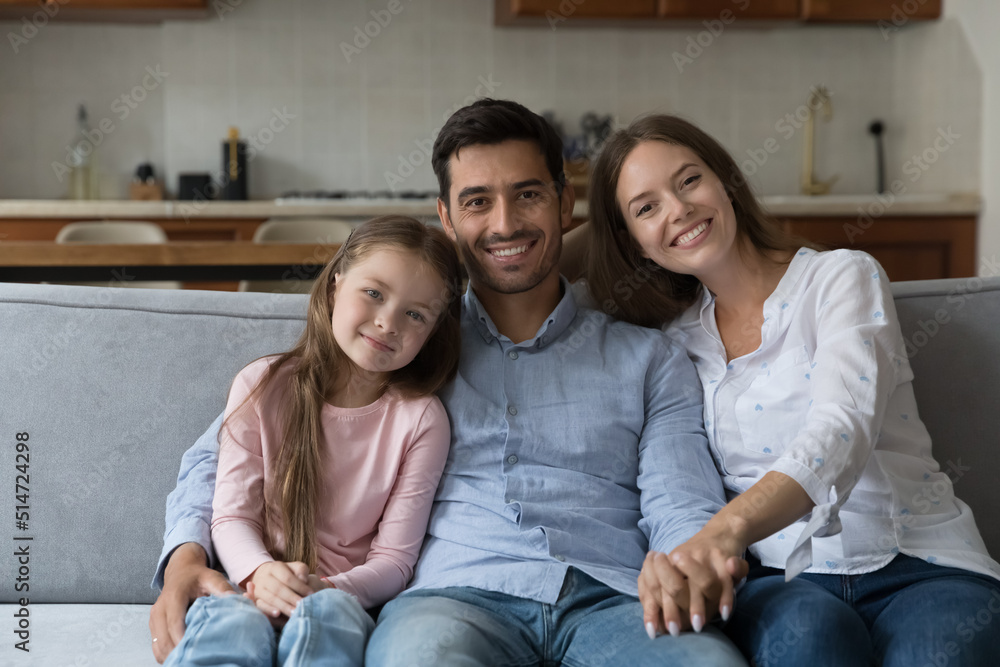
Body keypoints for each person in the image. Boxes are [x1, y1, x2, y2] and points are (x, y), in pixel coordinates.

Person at [149, 99, 750, 666]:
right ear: (446, 218)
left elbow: (680, 497)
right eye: (478, 201)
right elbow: (234, 447)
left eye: (529, 195)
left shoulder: (649, 357)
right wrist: (184, 557)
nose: (506, 222)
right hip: (454, 598)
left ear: (565, 206)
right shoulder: (406, 339)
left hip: (613, 594)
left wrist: (689, 560)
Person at [582, 113, 1000, 666]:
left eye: (688, 181)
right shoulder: (670, 344)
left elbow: (840, 429)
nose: (679, 209)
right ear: (633, 245)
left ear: (727, 182)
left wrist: (724, 531)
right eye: (646, 207)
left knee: (939, 653)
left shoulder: (842, 278)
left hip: (917, 559)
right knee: (810, 641)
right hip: (782, 577)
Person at [160, 215, 463, 666]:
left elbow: (395, 560)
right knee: (232, 626)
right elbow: (231, 515)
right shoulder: (261, 384)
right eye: (374, 293)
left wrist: (321, 589)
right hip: (250, 588)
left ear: (434, 330)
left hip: (338, 599)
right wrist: (261, 574)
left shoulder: (422, 420)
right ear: (336, 283)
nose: (387, 323)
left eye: (414, 314)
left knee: (325, 621)